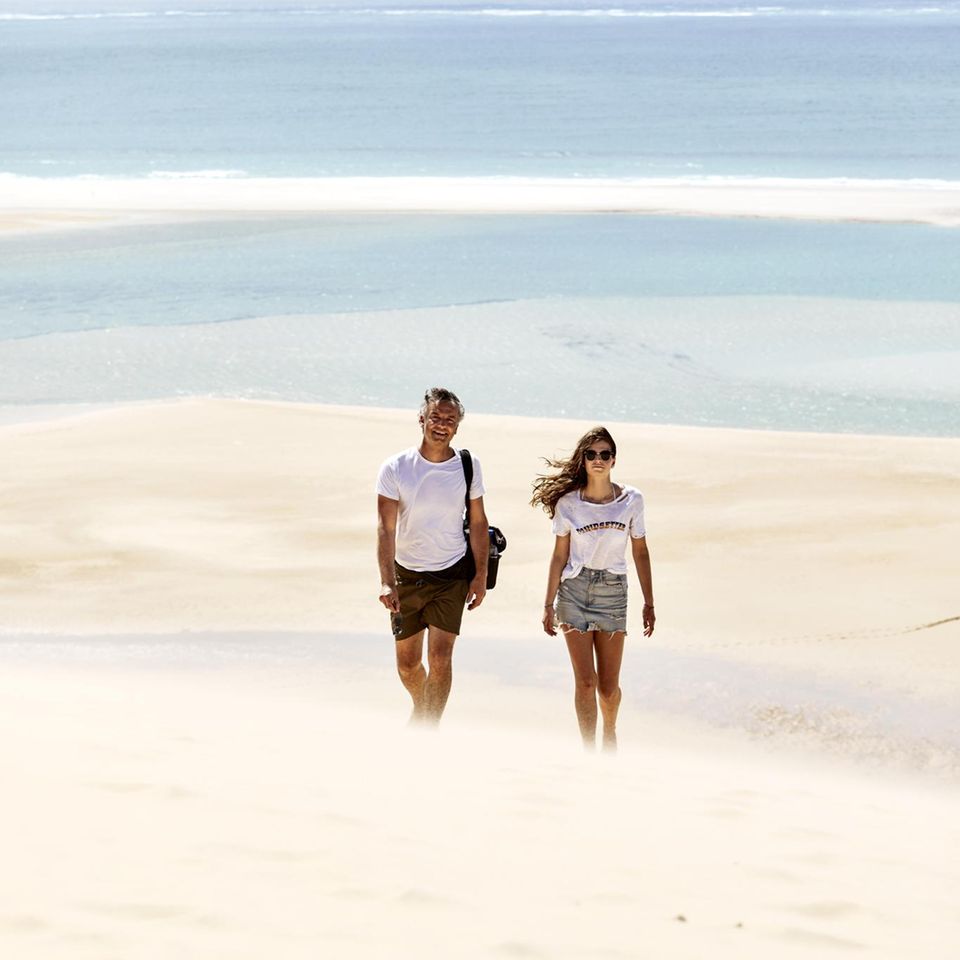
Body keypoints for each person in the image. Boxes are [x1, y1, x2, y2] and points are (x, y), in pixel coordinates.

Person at [531, 426, 654, 751]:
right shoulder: (568, 504)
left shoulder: (631, 500)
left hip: (614, 592)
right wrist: (547, 604)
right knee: (586, 682)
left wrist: (649, 602)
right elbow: (559, 555)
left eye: (604, 454)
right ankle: (588, 752)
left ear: (614, 460)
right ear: (583, 460)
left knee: (608, 688)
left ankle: (609, 732)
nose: (598, 460)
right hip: (574, 589)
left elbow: (640, 551)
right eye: (591, 454)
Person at [376, 387, 489, 724]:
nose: (442, 425)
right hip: (406, 575)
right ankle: (422, 707)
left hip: (451, 574)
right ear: (422, 419)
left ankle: (429, 728)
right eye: (436, 417)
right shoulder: (396, 467)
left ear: (457, 426)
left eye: (449, 420)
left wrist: (480, 576)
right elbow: (385, 528)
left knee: (440, 658)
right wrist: (386, 582)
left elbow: (480, 522)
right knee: (408, 665)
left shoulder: (468, 466)